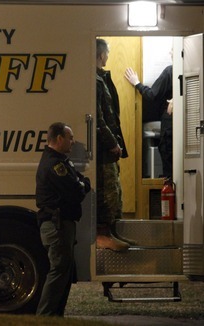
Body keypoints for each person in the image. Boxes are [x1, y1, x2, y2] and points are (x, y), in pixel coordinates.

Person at [35, 122, 91, 317]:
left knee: (64, 273)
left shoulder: (60, 161)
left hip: (61, 224)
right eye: (70, 137)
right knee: (58, 271)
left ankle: (55, 316)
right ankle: (45, 318)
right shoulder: (55, 164)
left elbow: (81, 182)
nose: (72, 142)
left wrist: (82, 183)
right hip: (56, 226)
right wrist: (82, 185)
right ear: (59, 138)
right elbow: (76, 191)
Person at [96, 38, 134, 251]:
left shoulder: (100, 78)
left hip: (109, 150)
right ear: (101, 55)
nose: (108, 57)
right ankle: (104, 235)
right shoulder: (94, 80)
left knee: (115, 193)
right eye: (107, 53)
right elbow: (99, 118)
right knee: (107, 194)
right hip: (103, 151)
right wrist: (112, 143)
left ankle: (112, 233)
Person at [125, 64, 173, 178]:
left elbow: (152, 95)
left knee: (169, 171)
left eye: (172, 50)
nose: (170, 53)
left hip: (169, 126)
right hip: (180, 129)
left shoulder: (170, 71)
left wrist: (137, 83)